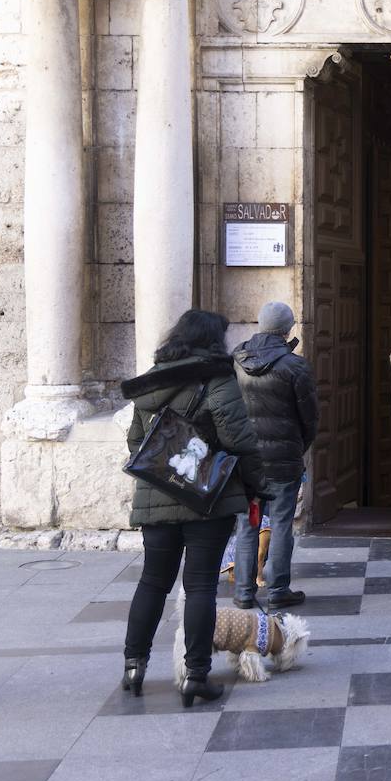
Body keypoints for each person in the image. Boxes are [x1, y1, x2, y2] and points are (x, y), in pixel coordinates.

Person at [119, 309, 265, 707]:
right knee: (201, 584)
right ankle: (196, 676)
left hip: (157, 498)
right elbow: (240, 440)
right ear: (212, 340)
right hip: (208, 499)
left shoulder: (153, 380)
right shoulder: (217, 377)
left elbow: (136, 442)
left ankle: (134, 666)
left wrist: (168, 470)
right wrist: (256, 485)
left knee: (153, 581)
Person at [230, 301, 319, 612]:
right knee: (281, 522)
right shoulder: (295, 366)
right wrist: (298, 446)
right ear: (288, 329)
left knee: (248, 523)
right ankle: (279, 589)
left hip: (247, 461)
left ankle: (243, 591)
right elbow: (310, 418)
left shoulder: (237, 360)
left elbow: (227, 410)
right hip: (283, 460)